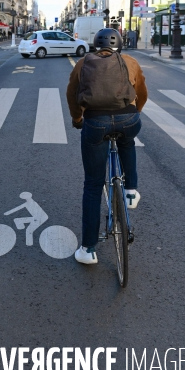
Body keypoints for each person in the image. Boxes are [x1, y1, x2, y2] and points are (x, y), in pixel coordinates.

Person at [66, 28, 148, 265]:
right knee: (127, 141)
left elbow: (72, 95)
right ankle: (131, 189)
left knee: (92, 184)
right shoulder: (130, 61)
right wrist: (133, 114)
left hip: (96, 122)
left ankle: (88, 250)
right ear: (120, 45)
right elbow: (142, 93)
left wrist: (77, 119)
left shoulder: (83, 63)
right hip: (128, 117)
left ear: (95, 45)